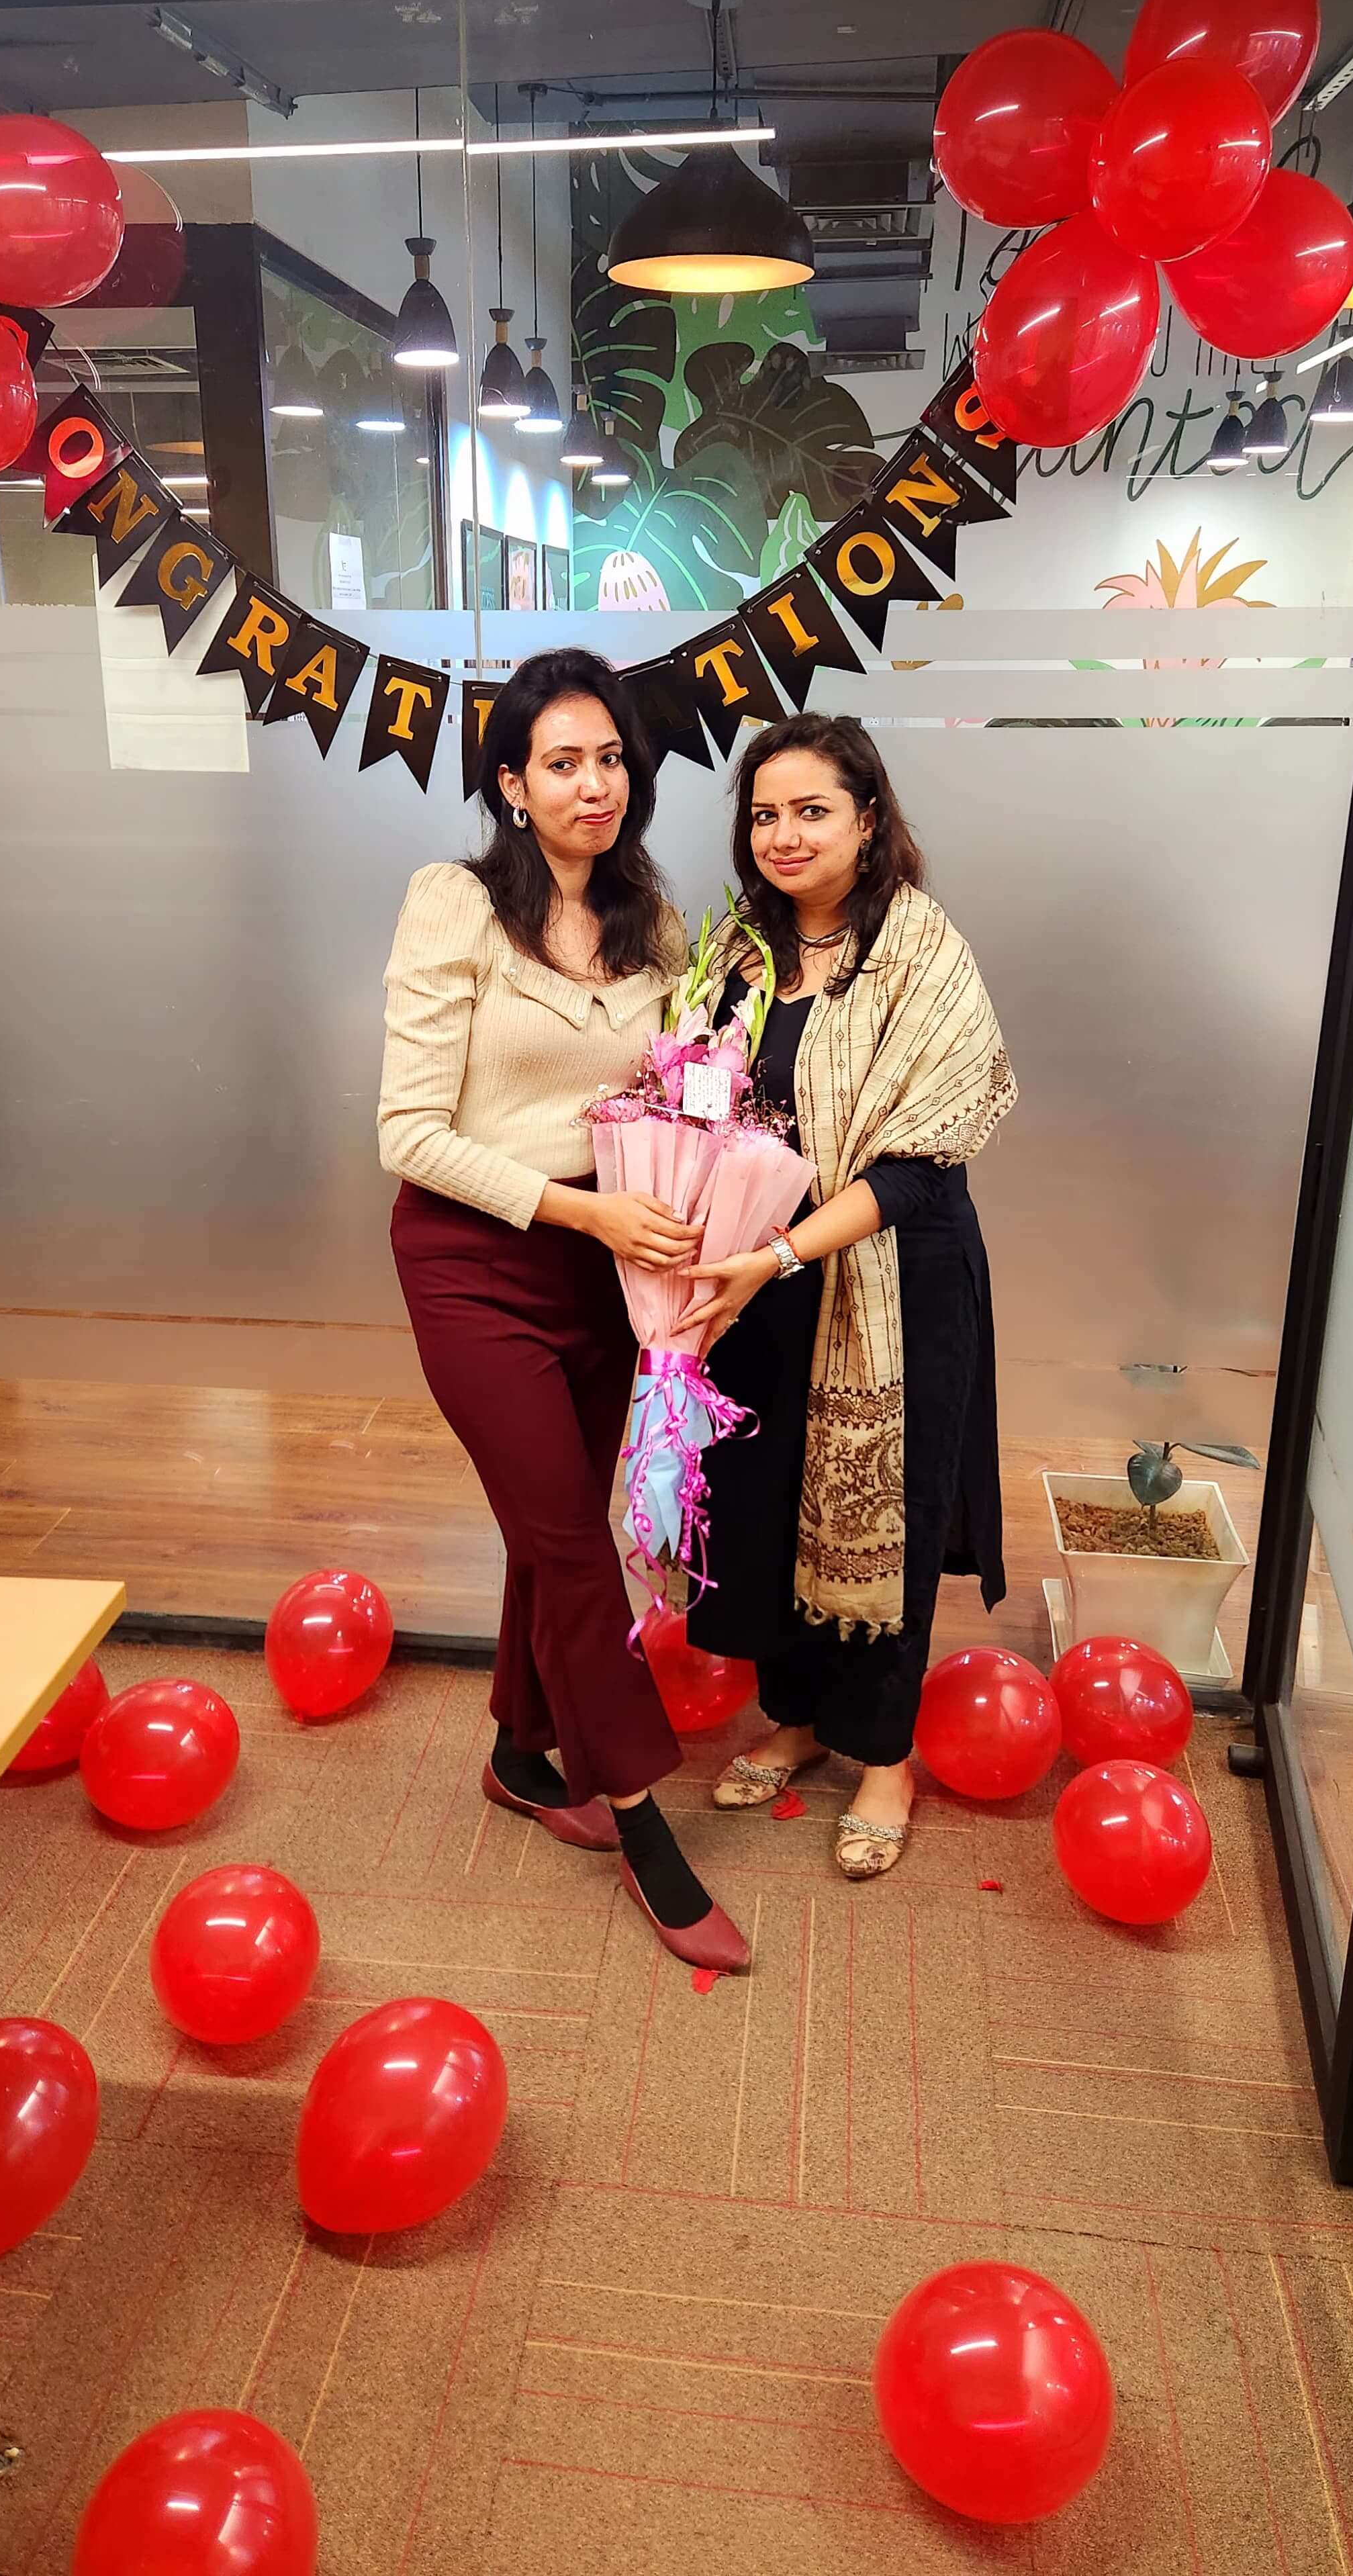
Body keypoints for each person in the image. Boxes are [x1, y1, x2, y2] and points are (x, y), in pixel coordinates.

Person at [379, 647, 748, 1973]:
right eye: (563, 763)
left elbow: (674, 1094)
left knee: (554, 1532)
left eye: (612, 760)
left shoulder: (657, 923)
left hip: (607, 1269)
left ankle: (519, 1753)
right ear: (512, 785)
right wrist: (585, 1215)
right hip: (475, 1262)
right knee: (573, 1546)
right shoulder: (458, 904)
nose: (595, 785)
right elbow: (408, 1132)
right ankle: (644, 1821)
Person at [682, 712, 1016, 1880]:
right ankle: (796, 1719)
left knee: (881, 1516)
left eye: (812, 811)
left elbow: (922, 1164)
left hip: (891, 1279)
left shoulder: (922, 951)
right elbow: (696, 1101)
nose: (784, 835)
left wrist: (782, 1253)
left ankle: (883, 1755)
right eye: (764, 815)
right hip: (758, 1280)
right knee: (770, 1502)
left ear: (868, 821)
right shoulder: (738, 952)